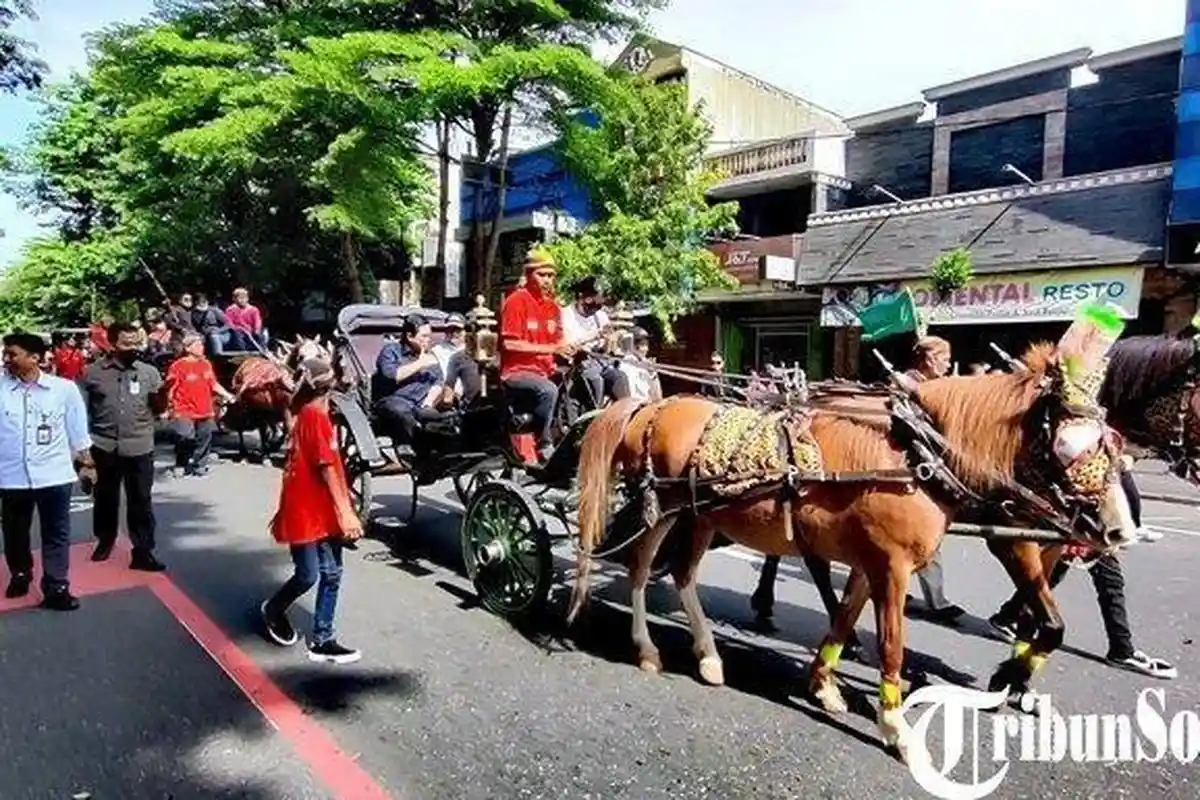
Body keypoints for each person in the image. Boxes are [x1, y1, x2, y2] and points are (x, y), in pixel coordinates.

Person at [988, 462, 1175, 679]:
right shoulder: (1085, 447)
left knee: (1052, 582)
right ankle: (1120, 649)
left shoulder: (1105, 448)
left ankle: (1121, 648)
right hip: (1078, 523)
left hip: (1090, 524)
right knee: (1044, 584)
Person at [260, 358, 363, 664]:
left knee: (332, 574)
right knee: (308, 575)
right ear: (330, 384)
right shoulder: (314, 416)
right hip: (307, 508)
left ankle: (322, 638)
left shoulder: (312, 413)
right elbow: (328, 466)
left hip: (319, 506)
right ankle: (274, 608)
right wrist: (346, 512)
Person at [0, 332, 96, 610]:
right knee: (15, 532)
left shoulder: (64, 390)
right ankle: (20, 573)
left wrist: (88, 466)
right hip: (11, 477)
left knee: (56, 532)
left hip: (54, 475)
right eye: (5, 354)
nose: (7, 360)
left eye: (12, 354)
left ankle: (56, 586)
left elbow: (78, 434)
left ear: (35, 358)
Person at [79, 321, 167, 572]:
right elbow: (80, 413)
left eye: (136, 342)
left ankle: (143, 551)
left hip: (139, 445)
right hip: (103, 445)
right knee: (105, 498)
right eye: (126, 343)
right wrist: (82, 453)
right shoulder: (92, 373)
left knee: (141, 500)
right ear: (112, 343)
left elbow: (159, 409)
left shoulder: (149, 372)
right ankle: (105, 540)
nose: (133, 348)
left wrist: (163, 396)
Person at [900, 335, 966, 625]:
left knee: (926, 542)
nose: (948, 363)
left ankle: (932, 599)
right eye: (944, 357)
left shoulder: (934, 385)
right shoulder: (903, 383)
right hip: (907, 470)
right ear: (928, 359)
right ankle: (932, 601)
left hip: (933, 468)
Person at [499, 249, 572, 462]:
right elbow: (510, 343)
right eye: (542, 275)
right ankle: (543, 442)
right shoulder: (515, 301)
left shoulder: (554, 307)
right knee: (547, 389)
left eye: (551, 275)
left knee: (584, 379)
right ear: (529, 274)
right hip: (516, 373)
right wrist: (551, 350)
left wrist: (571, 347)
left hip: (545, 370)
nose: (547, 280)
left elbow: (559, 343)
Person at [373, 316, 448, 447]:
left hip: (420, 404)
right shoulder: (391, 351)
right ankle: (406, 450)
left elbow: (439, 380)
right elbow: (391, 375)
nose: (428, 340)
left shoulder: (430, 355)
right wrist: (420, 363)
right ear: (410, 336)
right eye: (424, 336)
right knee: (402, 413)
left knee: (438, 419)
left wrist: (429, 402)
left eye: (429, 336)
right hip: (393, 401)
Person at [166, 333, 234, 476]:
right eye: (198, 345)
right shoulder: (178, 366)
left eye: (202, 345)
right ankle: (182, 463)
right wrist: (168, 407)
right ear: (188, 348)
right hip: (183, 409)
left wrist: (228, 395)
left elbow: (213, 384)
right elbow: (171, 387)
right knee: (185, 437)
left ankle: (200, 465)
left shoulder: (206, 364)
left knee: (204, 437)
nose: (202, 347)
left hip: (204, 409)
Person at [560, 275, 629, 408]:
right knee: (594, 380)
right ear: (582, 297)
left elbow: (607, 347)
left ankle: (624, 415)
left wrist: (611, 341)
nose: (594, 310)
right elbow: (570, 347)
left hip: (600, 363)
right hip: (578, 367)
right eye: (592, 304)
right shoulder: (565, 315)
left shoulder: (600, 316)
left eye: (598, 306)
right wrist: (594, 335)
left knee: (620, 377)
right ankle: (593, 421)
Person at [430, 313, 482, 408]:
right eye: (450, 329)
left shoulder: (472, 351)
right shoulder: (436, 350)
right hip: (443, 395)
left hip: (470, 396)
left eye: (457, 330)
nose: (453, 333)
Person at [620, 327, 663, 403]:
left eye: (647, 345)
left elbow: (658, 397)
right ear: (632, 346)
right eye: (642, 345)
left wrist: (653, 374)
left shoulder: (646, 365)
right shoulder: (626, 366)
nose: (647, 349)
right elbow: (631, 397)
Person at [225, 287, 268, 352]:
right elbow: (229, 323)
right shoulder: (230, 310)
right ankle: (243, 352)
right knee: (237, 334)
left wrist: (256, 330)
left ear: (247, 299)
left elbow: (257, 322)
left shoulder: (254, 309)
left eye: (244, 298)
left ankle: (261, 350)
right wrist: (238, 329)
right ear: (234, 299)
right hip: (238, 333)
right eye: (240, 298)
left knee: (261, 333)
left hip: (250, 332)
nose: (242, 300)